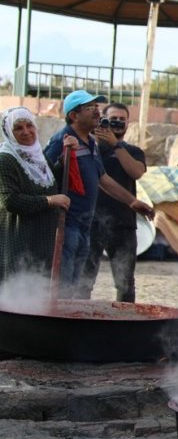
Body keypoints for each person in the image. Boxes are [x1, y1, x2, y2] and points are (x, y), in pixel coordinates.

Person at [43, 90, 153, 299]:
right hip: (68, 223)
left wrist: (132, 201)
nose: (97, 112)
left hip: (85, 223)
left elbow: (103, 179)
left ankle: (75, 324)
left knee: (77, 281)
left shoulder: (90, 143)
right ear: (74, 115)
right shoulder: (62, 141)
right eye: (90, 108)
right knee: (65, 283)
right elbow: (44, 177)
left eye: (97, 107)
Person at [79, 103, 147, 302]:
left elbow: (136, 172)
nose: (117, 123)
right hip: (91, 223)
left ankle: (125, 328)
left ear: (128, 123)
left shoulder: (133, 151)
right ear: (102, 121)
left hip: (123, 224)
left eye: (121, 119)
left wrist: (116, 145)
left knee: (125, 284)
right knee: (84, 281)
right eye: (112, 119)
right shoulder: (88, 148)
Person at [0, 107, 70, 284]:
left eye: (29, 125)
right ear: (8, 132)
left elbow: (49, 183)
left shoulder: (39, 156)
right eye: (18, 128)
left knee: (39, 291)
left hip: (42, 239)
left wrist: (64, 161)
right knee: (18, 290)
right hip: (18, 239)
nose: (26, 132)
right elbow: (10, 200)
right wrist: (49, 201)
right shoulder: (6, 160)